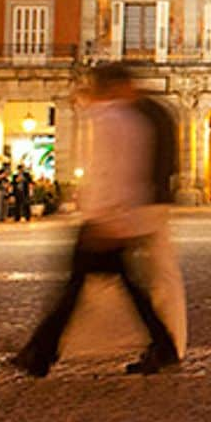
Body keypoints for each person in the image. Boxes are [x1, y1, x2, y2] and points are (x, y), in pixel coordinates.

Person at [11, 62, 182, 377]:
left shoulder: (113, 120)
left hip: (106, 219)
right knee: (120, 286)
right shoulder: (129, 117)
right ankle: (163, 345)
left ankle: (39, 353)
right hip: (116, 216)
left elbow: (110, 171)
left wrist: (104, 217)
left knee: (77, 287)